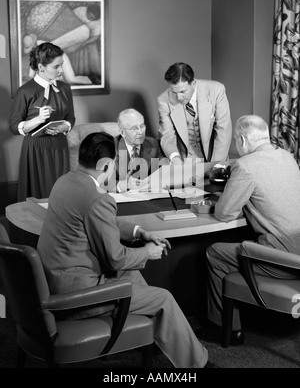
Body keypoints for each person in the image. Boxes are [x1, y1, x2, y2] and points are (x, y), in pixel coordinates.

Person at [37, 132, 210, 368]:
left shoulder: (64, 181)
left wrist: (139, 232)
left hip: (54, 282)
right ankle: (198, 364)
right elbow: (115, 259)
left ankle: (156, 337)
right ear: (107, 165)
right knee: (164, 299)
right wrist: (147, 252)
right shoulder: (97, 197)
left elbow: (102, 221)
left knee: (133, 275)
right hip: (76, 297)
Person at [196, 115, 300, 344]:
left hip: (283, 261)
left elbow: (223, 213)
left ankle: (226, 329)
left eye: (235, 141)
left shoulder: (246, 166)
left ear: (242, 140)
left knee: (215, 252)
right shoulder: (287, 156)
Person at [9, 42, 75, 202]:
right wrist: (37, 120)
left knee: (60, 196)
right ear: (41, 67)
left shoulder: (65, 89)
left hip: (60, 147)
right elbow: (13, 126)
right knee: (38, 198)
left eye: (62, 65)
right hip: (36, 149)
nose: (61, 70)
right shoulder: (25, 91)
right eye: (56, 66)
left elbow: (71, 118)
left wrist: (62, 128)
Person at [158, 62, 232, 164]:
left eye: (183, 92)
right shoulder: (163, 100)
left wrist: (216, 165)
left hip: (215, 155)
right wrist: (175, 158)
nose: (179, 97)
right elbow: (167, 136)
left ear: (193, 84)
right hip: (185, 160)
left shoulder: (216, 90)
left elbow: (223, 129)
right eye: (174, 92)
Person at [112, 108, 166, 193]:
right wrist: (122, 185)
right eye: (134, 128)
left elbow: (165, 170)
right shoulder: (110, 147)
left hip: (148, 196)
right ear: (122, 132)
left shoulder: (155, 144)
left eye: (142, 126)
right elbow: (101, 181)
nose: (140, 132)